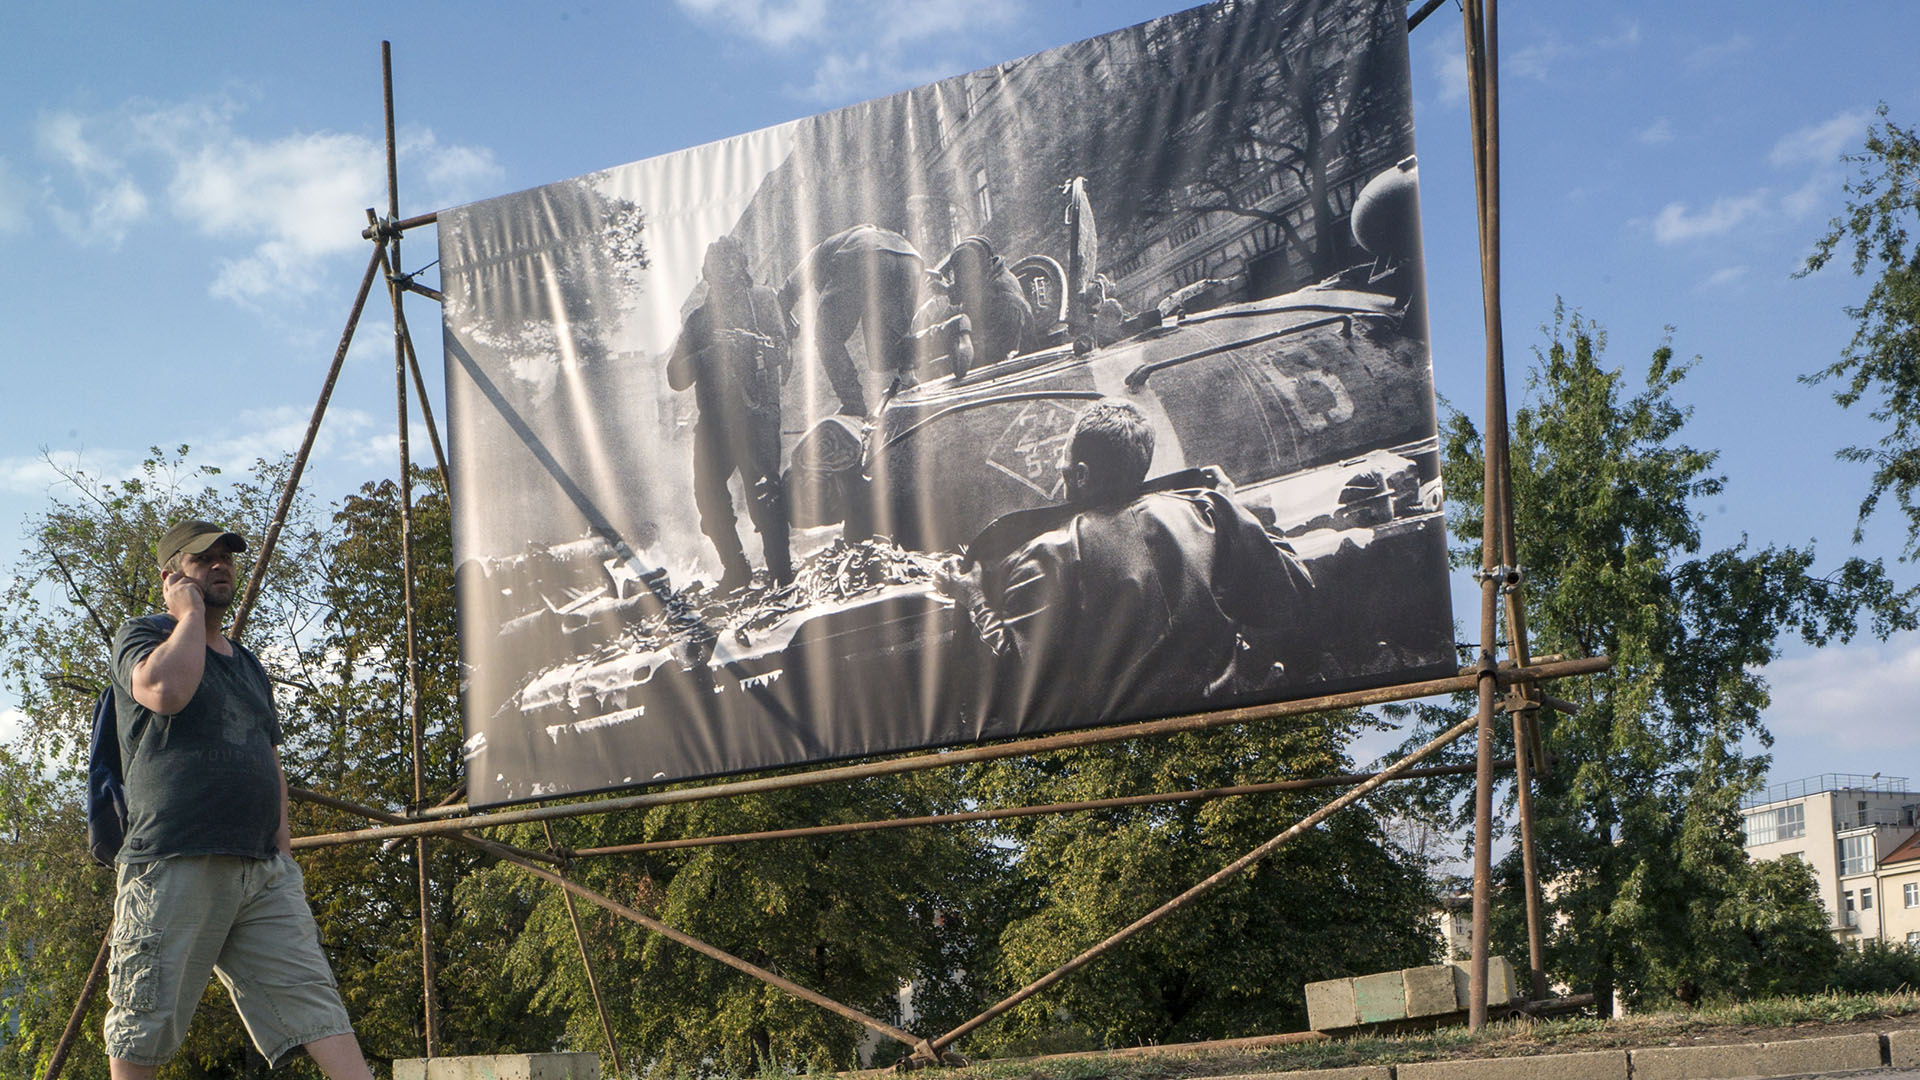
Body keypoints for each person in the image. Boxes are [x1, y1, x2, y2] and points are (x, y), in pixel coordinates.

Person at [105, 520, 374, 1080]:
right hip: (175, 856)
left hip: (263, 872)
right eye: (203, 559)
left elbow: (267, 754)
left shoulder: (248, 664)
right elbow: (166, 691)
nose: (220, 564)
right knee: (143, 1014)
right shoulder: (144, 636)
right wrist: (188, 616)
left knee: (316, 1002)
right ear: (172, 576)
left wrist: (284, 852)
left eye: (227, 555)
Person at [939, 399, 1314, 732]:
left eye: (1065, 470)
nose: (1062, 476)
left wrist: (973, 598)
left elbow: (1019, 680)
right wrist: (1236, 509)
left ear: (1081, 476)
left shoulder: (1047, 555)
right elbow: (1294, 591)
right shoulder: (1208, 516)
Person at [669, 235, 793, 592]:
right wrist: (710, 353)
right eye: (715, 269)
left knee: (765, 496)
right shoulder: (698, 321)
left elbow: (783, 353)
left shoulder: (764, 301)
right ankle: (737, 570)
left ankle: (781, 574)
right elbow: (674, 376)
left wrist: (752, 346)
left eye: (730, 266)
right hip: (713, 426)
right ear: (707, 275)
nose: (723, 275)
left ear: (742, 267)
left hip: (757, 416)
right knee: (707, 494)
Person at [777, 223, 937, 416]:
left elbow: (788, 289)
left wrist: (781, 314)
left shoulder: (818, 251)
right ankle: (945, 335)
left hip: (864, 254)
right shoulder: (851, 238)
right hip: (910, 258)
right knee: (890, 348)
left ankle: (853, 404)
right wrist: (907, 374)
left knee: (826, 337)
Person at [931, 234, 1032, 375]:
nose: (959, 282)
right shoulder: (992, 274)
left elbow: (991, 355)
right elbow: (970, 290)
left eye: (962, 275)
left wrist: (941, 362)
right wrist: (948, 290)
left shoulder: (1004, 300)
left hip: (1012, 372)